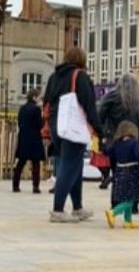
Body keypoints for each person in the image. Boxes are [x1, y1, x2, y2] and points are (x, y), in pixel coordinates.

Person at [43, 47, 104, 223]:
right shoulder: (80, 76)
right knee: (70, 166)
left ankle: (77, 207)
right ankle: (58, 210)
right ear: (82, 60)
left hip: (57, 126)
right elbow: (89, 105)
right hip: (73, 126)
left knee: (75, 165)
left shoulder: (54, 77)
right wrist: (98, 129)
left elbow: (46, 101)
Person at [97, 73, 139, 195]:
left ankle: (117, 197)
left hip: (115, 141)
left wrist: (102, 136)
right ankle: (133, 199)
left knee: (116, 171)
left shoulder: (111, 96)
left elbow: (100, 115)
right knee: (135, 171)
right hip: (138, 143)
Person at [103, 121, 139, 229]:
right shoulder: (133, 143)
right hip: (132, 173)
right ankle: (113, 212)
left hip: (119, 172)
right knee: (131, 199)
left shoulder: (117, 143)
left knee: (126, 197)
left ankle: (128, 221)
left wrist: (103, 143)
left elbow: (107, 152)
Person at [12, 89, 46, 193]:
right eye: (39, 97)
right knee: (35, 163)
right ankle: (35, 186)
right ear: (34, 97)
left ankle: (15, 185)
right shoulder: (36, 109)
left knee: (21, 162)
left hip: (23, 137)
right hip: (34, 138)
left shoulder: (22, 108)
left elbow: (19, 122)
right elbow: (40, 124)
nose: (40, 99)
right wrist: (43, 118)